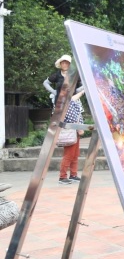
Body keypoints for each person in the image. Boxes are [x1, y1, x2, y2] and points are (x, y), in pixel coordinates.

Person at [44, 55, 86, 184]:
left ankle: (73, 174)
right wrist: (54, 92)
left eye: (67, 63)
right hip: (65, 117)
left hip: (72, 111)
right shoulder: (57, 77)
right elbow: (71, 116)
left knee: (75, 152)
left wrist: (82, 90)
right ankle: (63, 176)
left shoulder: (74, 78)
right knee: (70, 151)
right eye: (63, 62)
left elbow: (76, 100)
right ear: (60, 64)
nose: (65, 65)